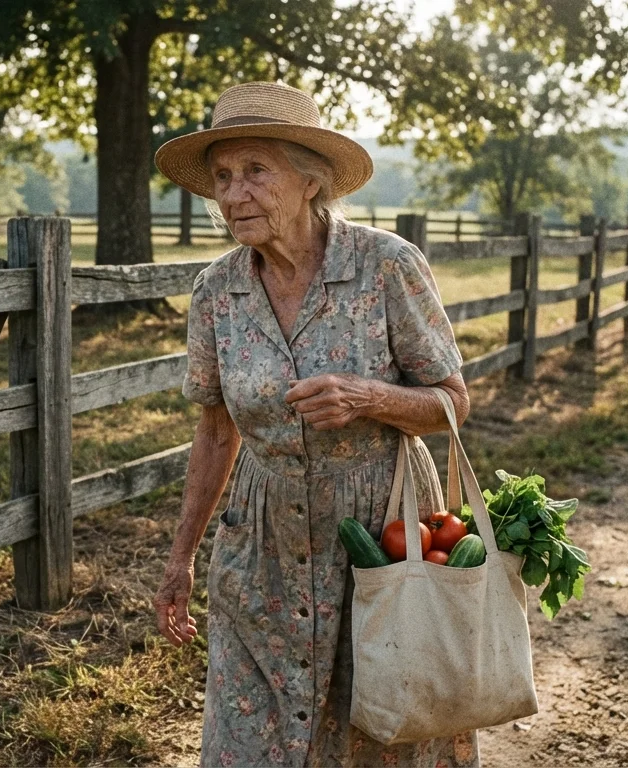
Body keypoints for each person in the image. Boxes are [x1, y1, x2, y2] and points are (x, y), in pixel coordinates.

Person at [151, 81, 479, 768]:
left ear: (311, 181)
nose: (233, 194)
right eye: (221, 177)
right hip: (262, 537)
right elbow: (216, 434)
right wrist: (181, 556)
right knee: (249, 735)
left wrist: (369, 396)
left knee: (383, 724)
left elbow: (453, 400)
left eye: (255, 171)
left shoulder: (386, 266)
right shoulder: (216, 291)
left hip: (382, 529)